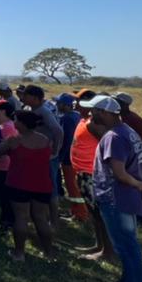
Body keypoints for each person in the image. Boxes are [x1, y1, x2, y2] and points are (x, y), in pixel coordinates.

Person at [88, 95, 142, 282]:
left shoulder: (114, 137)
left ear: (104, 112)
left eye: (94, 111)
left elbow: (120, 173)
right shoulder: (128, 132)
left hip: (116, 198)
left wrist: (140, 185)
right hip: (127, 197)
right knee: (128, 243)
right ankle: (127, 281)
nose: (90, 114)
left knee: (127, 247)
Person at [0, 110, 58, 260]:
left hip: (19, 183)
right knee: (41, 218)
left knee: (21, 217)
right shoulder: (45, 140)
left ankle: (19, 253)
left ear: (23, 124)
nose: (14, 123)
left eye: (17, 120)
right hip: (42, 184)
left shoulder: (14, 140)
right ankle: (49, 253)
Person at [71, 90, 116, 261]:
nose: (76, 105)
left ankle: (108, 251)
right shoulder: (84, 120)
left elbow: (110, 144)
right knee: (94, 213)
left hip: (92, 175)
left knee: (100, 214)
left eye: (80, 102)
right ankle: (100, 245)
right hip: (83, 173)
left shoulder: (94, 124)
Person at [20, 85, 63, 227]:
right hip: (38, 154)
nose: (23, 98)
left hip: (48, 156)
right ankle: (42, 217)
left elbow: (58, 131)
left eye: (26, 95)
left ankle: (54, 221)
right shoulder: (32, 110)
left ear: (35, 98)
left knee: (51, 188)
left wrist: (55, 151)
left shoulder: (44, 112)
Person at [55, 93, 88, 221]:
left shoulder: (67, 118)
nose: (57, 105)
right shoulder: (77, 116)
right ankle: (81, 211)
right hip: (78, 156)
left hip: (69, 158)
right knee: (77, 185)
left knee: (72, 186)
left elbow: (66, 140)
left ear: (65, 105)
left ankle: (80, 214)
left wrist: (60, 157)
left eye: (59, 103)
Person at [0, 100, 18, 229]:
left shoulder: (7, 127)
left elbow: (4, 147)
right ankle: (5, 217)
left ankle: (8, 219)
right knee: (2, 193)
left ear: (3, 111)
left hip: (4, 166)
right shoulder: (1, 125)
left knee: (5, 194)